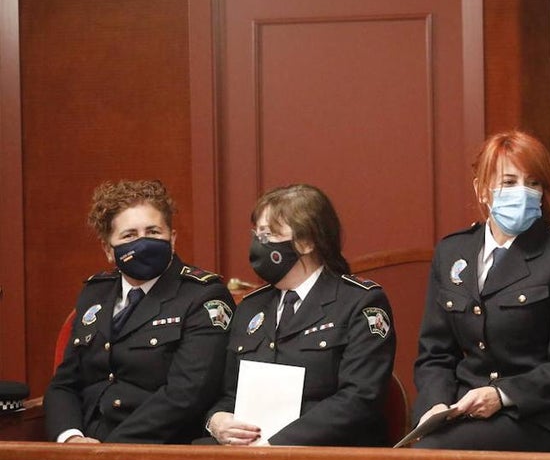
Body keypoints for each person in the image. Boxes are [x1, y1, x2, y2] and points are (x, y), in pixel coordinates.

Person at [412, 130, 550, 453]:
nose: (524, 193)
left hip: (545, 417)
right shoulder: (452, 252)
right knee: (406, 457)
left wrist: (501, 395)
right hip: (467, 410)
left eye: (533, 183)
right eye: (510, 182)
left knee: (433, 457)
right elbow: (435, 353)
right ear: (482, 190)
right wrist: (436, 404)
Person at [44, 179, 234, 446]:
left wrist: (107, 452)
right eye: (129, 235)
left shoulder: (202, 296)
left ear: (173, 238)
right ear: (109, 250)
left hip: (154, 455)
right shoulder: (95, 294)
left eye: (153, 232)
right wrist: (71, 439)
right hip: (81, 452)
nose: (143, 243)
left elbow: (186, 395)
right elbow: (64, 384)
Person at [204, 184, 395, 446]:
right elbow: (229, 393)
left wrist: (274, 444)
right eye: (256, 235)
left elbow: (358, 399)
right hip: (247, 455)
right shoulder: (251, 307)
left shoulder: (359, 302)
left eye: (268, 235)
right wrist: (217, 421)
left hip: (323, 456)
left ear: (306, 242)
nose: (258, 245)